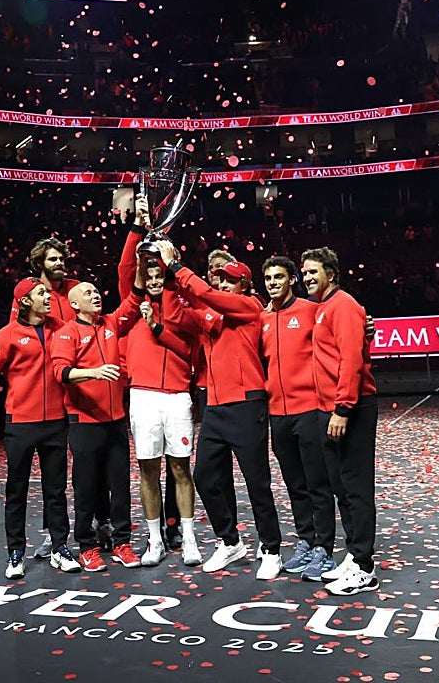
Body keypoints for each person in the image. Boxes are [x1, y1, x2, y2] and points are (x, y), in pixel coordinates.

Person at [159, 240, 283, 579]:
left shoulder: (249, 305)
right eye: (220, 279)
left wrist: (176, 267)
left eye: (230, 279)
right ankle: (230, 541)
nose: (223, 284)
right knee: (203, 476)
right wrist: (170, 280)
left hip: (246, 403)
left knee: (257, 482)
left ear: (244, 284)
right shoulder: (213, 315)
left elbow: (207, 295)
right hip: (215, 406)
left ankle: (271, 548)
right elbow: (173, 315)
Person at [0, 278, 80, 579]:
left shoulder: (61, 328)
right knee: (16, 491)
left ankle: (59, 547)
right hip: (20, 423)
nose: (48, 297)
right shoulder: (8, 334)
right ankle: (15, 553)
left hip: (55, 422)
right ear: (26, 301)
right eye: (41, 293)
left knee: (56, 490)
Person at [118, 198, 202, 568]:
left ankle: (189, 539)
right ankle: (154, 542)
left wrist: (169, 263)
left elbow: (185, 346)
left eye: (158, 275)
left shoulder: (182, 308)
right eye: (148, 276)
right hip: (143, 396)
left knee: (181, 469)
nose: (153, 281)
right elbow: (126, 266)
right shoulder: (132, 304)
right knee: (148, 470)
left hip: (178, 396)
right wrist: (138, 228)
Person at [301, 246, 380, 596]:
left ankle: (364, 568)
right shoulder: (321, 307)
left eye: (313, 271)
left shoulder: (344, 305)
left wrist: (343, 408)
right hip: (328, 408)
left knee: (356, 488)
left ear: (330, 274)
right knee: (341, 487)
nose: (306, 277)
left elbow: (351, 361)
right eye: (304, 272)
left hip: (350, 409)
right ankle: (354, 554)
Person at [50, 281, 143, 571]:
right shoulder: (67, 332)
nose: (96, 295)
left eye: (96, 291)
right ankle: (87, 546)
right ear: (74, 304)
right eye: (88, 293)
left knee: (120, 485)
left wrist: (141, 261)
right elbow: (60, 371)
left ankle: (122, 543)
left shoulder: (111, 323)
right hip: (84, 422)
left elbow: (134, 298)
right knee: (87, 487)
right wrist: (94, 373)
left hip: (115, 421)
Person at [259, 255, 338, 580]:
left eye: (279, 277)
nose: (273, 283)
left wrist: (367, 327)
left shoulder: (311, 310)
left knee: (318, 483)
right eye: (268, 278)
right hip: (277, 414)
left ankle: (325, 548)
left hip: (309, 410)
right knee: (295, 485)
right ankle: (306, 540)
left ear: (292, 279)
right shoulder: (262, 318)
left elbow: (337, 333)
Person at [13, 237, 86, 560]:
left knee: (83, 467)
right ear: (39, 263)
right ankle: (54, 537)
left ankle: (93, 525)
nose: (60, 264)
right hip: (47, 401)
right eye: (53, 259)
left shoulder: (76, 289)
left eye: (61, 259)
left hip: (80, 390)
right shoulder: (28, 294)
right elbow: (18, 338)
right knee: (52, 479)